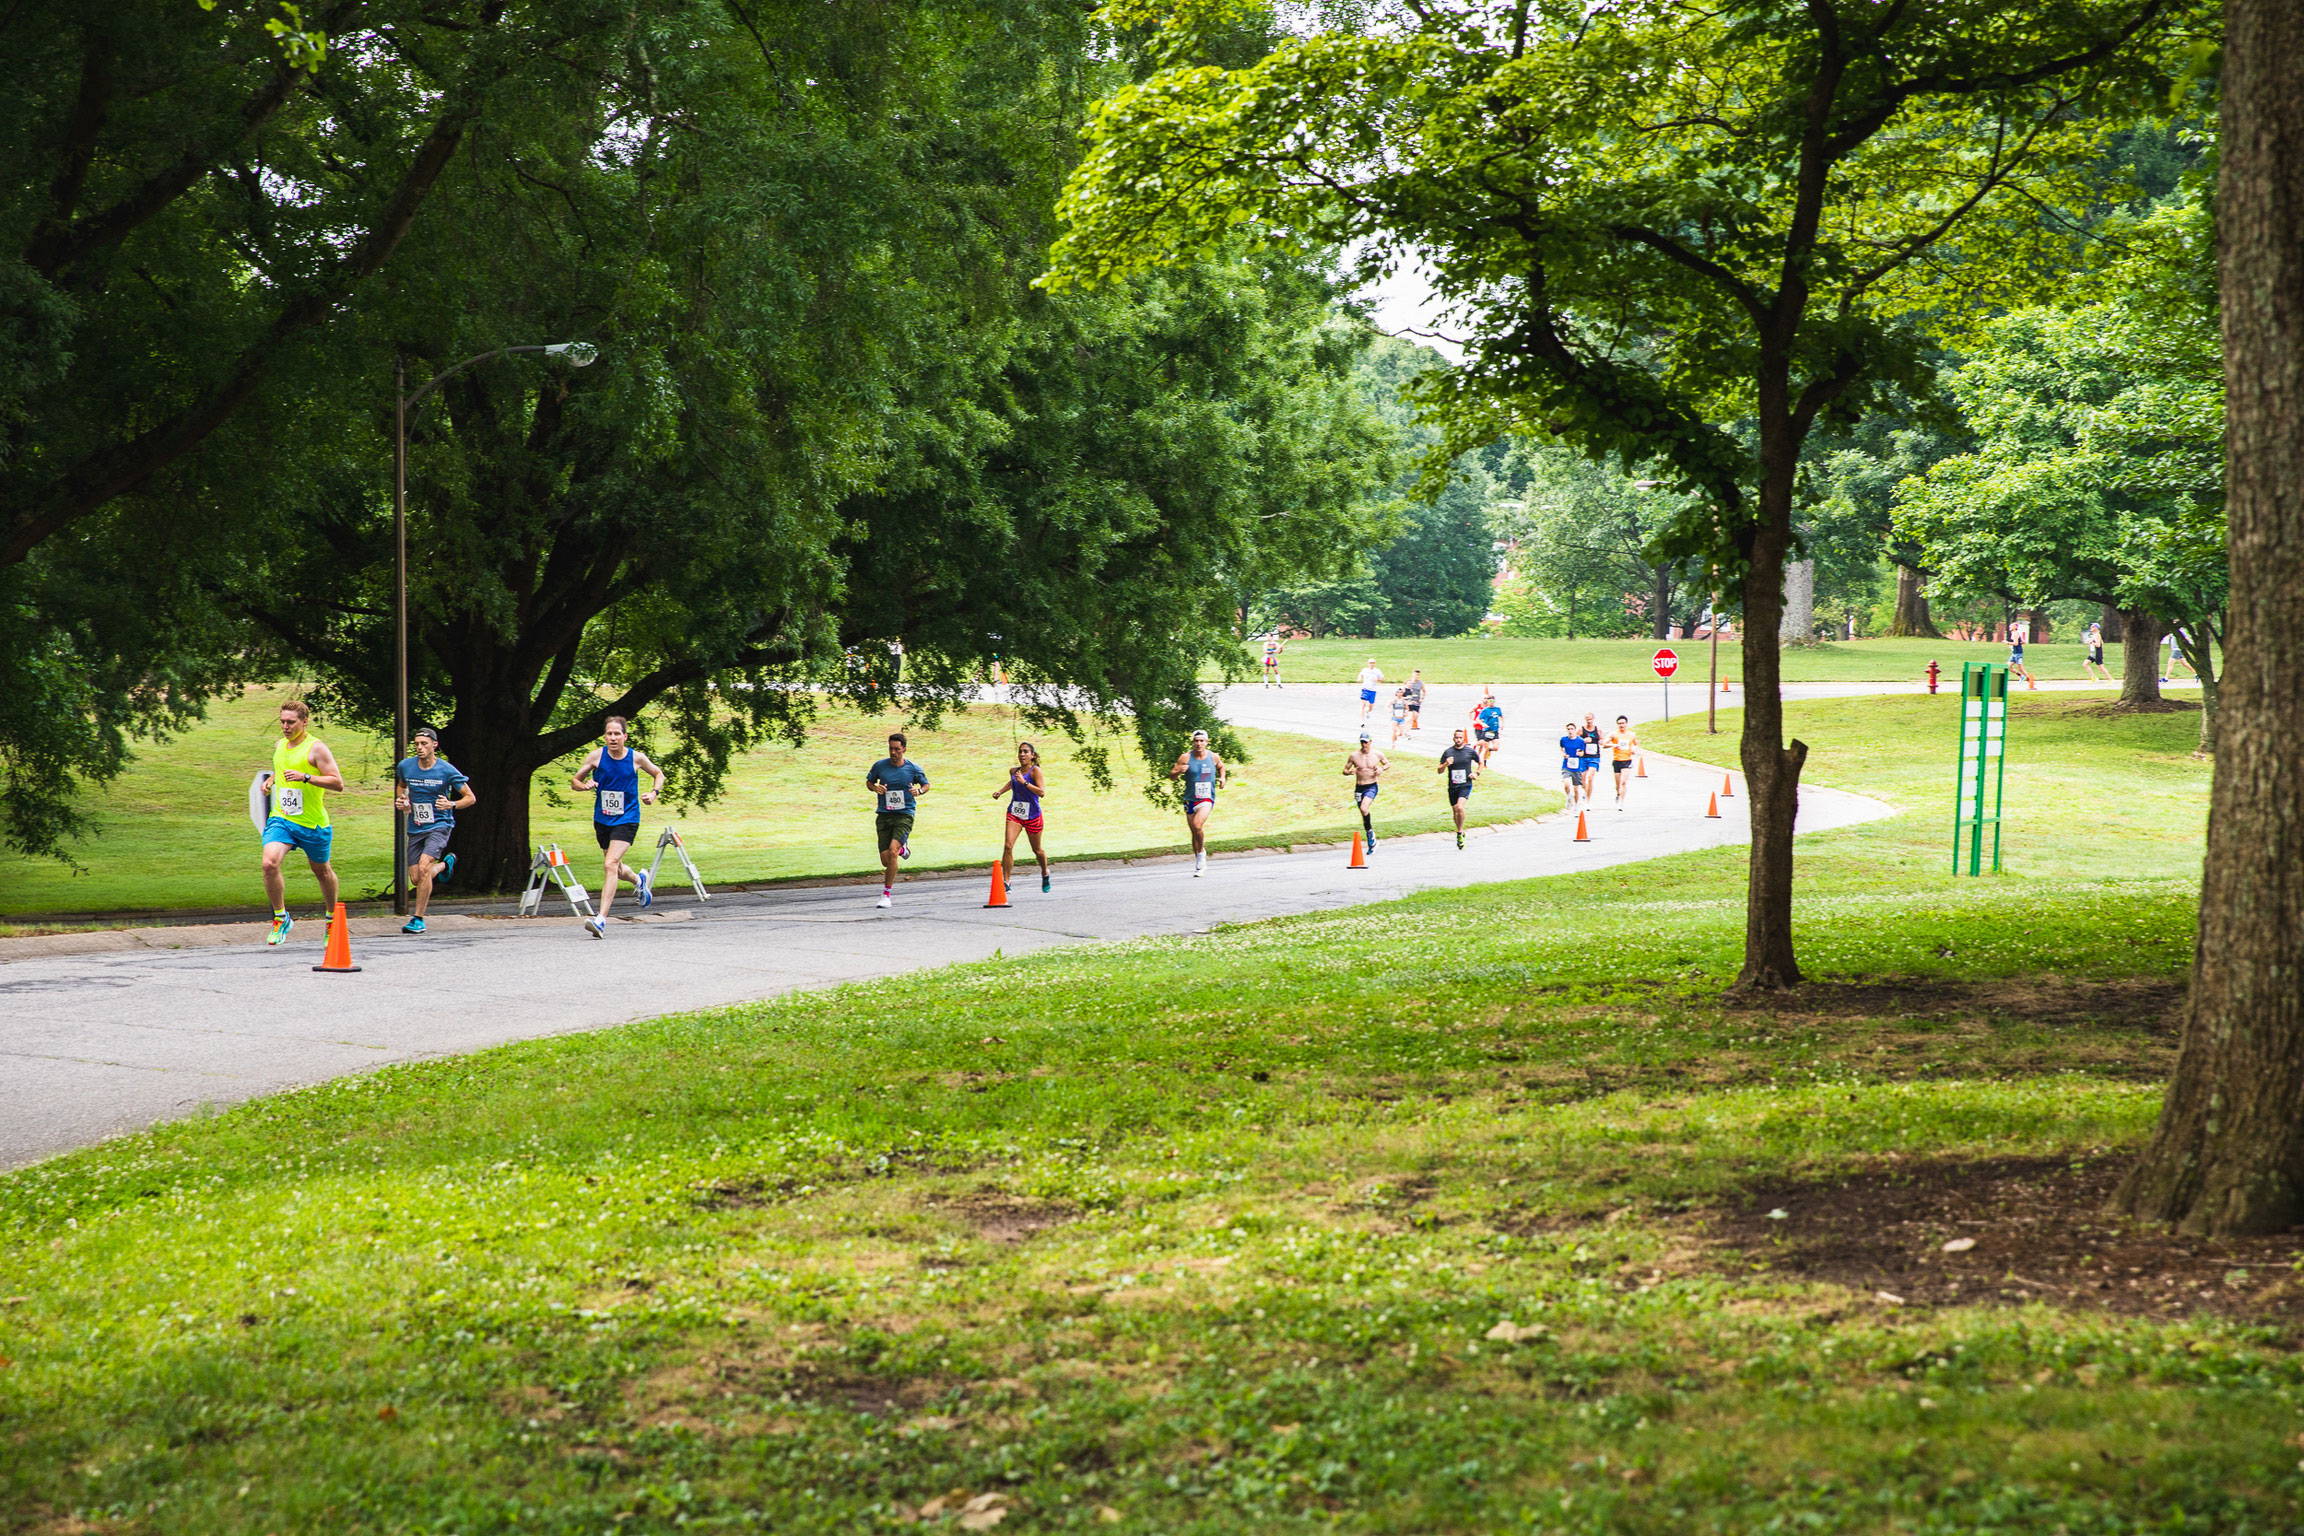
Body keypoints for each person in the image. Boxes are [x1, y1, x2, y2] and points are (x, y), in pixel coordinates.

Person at [259, 698, 346, 946]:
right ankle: (280, 917)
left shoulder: (317, 749)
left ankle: (331, 920)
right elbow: (284, 764)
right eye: (282, 722)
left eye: (291, 722)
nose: (285, 726)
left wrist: (306, 777)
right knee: (269, 863)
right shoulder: (280, 745)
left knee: (322, 871)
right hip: (283, 819)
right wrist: (272, 780)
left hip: (313, 823)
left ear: (304, 722)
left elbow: (337, 783)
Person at [570, 716, 665, 937]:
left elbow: (658, 774)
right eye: (609, 734)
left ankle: (601, 919)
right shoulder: (596, 756)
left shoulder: (637, 758)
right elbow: (574, 781)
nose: (612, 738)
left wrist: (653, 793)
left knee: (610, 864)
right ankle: (639, 880)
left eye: (616, 734)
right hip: (602, 819)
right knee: (617, 869)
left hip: (627, 818)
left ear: (625, 736)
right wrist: (584, 786)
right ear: (605, 736)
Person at [393, 725, 474, 935]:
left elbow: (470, 797)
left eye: (424, 744)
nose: (419, 748)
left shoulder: (446, 770)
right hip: (416, 826)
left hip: (440, 824)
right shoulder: (406, 766)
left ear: (434, 746)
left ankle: (418, 919)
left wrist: (452, 804)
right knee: (416, 878)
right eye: (416, 744)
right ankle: (444, 867)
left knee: (424, 866)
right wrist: (402, 799)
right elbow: (402, 786)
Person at [865, 731, 930, 908]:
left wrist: (919, 791)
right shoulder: (880, 766)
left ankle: (886, 894)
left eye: (897, 749)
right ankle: (903, 850)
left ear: (904, 749)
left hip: (904, 815)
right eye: (890, 749)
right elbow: (869, 782)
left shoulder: (913, 768)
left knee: (892, 852)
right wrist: (875, 788)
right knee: (886, 860)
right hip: (884, 816)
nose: (893, 753)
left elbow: (926, 785)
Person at [993, 739, 1051, 894]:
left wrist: (1024, 782)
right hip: (1015, 813)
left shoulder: (1035, 771)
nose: (1022, 754)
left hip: (1032, 815)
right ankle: (1006, 881)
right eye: (1020, 751)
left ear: (1032, 755)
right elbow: (1012, 782)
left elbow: (1041, 792)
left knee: (1037, 850)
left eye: (1026, 751)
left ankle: (1045, 872)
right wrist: (1000, 791)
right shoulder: (1014, 771)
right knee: (1008, 846)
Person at [1170, 728, 1227, 876]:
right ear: (1193, 742)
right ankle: (1199, 864)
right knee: (1194, 833)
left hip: (1206, 798)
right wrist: (1179, 771)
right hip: (1190, 799)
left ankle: (1201, 854)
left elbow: (1221, 766)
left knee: (1197, 825)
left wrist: (1222, 778)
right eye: (1196, 741)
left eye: (1202, 741)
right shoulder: (1185, 757)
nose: (1198, 743)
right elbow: (1172, 775)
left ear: (1206, 742)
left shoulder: (1213, 757)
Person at [1343, 731, 1388, 853]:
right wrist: (1350, 772)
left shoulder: (1377, 754)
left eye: (1366, 742)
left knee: (1364, 808)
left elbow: (1387, 764)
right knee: (1364, 814)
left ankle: (1370, 835)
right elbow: (1344, 770)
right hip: (1359, 788)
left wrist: (1381, 768)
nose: (1364, 744)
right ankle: (1371, 839)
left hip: (1371, 786)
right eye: (1362, 742)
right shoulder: (1354, 756)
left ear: (1370, 742)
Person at [1438, 728, 1481, 849]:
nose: (1458, 739)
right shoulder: (1448, 752)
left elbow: (1480, 763)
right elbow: (1439, 770)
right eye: (1456, 737)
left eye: (1460, 737)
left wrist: (1476, 773)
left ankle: (1459, 832)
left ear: (1464, 739)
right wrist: (1446, 764)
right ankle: (1460, 831)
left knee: (1460, 807)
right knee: (1455, 811)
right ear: (1453, 738)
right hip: (1452, 786)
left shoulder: (1469, 751)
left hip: (1465, 784)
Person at [1604, 715, 1640, 809]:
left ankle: (1621, 803)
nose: (1621, 725)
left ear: (1626, 724)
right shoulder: (1614, 734)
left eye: (1623, 723)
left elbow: (1636, 744)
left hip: (1627, 760)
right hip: (1617, 760)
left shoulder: (1631, 735)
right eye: (1619, 723)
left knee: (1623, 782)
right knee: (1618, 784)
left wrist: (1634, 749)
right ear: (1617, 725)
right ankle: (1618, 794)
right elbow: (1604, 744)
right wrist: (1613, 744)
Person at [1556, 719, 1586, 810]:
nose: (1570, 730)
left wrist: (1579, 754)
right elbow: (1561, 748)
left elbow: (1583, 753)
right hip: (1566, 765)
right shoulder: (1564, 740)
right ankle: (1569, 797)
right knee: (1566, 783)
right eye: (1568, 729)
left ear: (1575, 730)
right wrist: (1564, 754)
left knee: (1576, 789)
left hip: (1576, 766)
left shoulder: (1580, 741)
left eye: (1572, 729)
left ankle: (1576, 806)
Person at [1471, 689, 1503, 765]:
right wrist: (1483, 724)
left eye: (1492, 701)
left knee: (1495, 748)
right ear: (1488, 702)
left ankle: (1488, 750)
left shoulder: (1497, 709)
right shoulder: (1485, 710)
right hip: (1487, 731)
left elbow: (1501, 716)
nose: (1491, 702)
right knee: (1484, 746)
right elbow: (1478, 719)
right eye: (1490, 701)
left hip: (1495, 731)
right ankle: (1484, 763)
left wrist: (1502, 724)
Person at [1579, 711, 1604, 800]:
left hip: (1594, 757)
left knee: (1590, 777)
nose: (1589, 721)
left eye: (1590, 719)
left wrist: (1601, 742)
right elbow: (1576, 741)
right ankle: (1585, 791)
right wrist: (1584, 741)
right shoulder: (1581, 730)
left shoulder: (1598, 730)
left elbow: (1602, 740)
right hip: (1584, 757)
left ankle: (1588, 800)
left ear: (1593, 719)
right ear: (1585, 720)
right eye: (1587, 719)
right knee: (1582, 779)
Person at [1356, 658, 1384, 722]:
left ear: (1374, 664)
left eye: (1373, 663)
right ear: (1368, 664)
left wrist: (1377, 680)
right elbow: (1361, 675)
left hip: (1373, 690)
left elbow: (1382, 679)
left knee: (1370, 707)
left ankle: (1367, 711)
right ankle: (1362, 720)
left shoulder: (1377, 671)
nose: (1372, 664)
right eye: (1370, 663)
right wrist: (1359, 678)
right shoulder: (1365, 670)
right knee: (1363, 705)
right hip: (1365, 689)